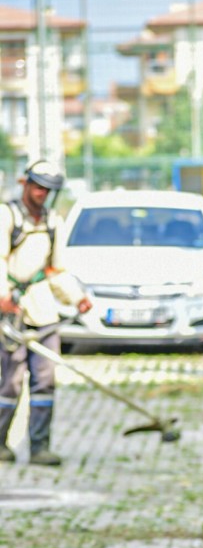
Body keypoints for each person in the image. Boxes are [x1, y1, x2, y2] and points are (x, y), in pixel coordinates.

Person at [0, 160, 92, 466]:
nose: (41, 193)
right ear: (25, 183)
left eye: (48, 190)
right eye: (37, 186)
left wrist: (77, 298)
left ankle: (39, 447)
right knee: (9, 382)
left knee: (44, 381)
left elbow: (56, 270)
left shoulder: (53, 222)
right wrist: (2, 296)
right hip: (11, 313)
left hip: (43, 312)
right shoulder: (7, 215)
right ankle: (1, 443)